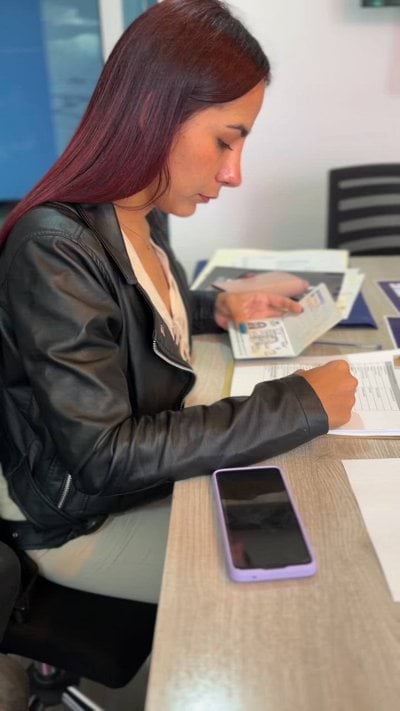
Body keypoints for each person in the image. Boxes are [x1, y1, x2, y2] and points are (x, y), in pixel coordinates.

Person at [0, 0, 357, 604]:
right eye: (224, 142)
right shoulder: (54, 247)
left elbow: (127, 315)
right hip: (81, 520)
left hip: (138, 485)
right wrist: (297, 403)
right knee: (306, 589)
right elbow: (103, 456)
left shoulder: (142, 209)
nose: (234, 173)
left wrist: (215, 307)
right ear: (154, 114)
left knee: (321, 515)